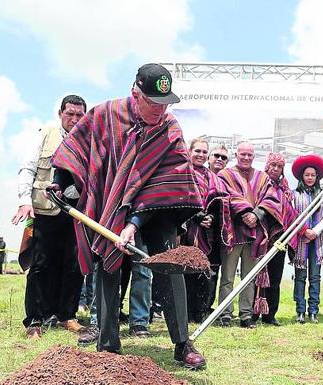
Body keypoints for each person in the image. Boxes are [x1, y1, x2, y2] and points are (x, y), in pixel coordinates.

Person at [50, 63, 207, 369]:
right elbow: (75, 148)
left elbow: (172, 178)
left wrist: (134, 223)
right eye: (153, 103)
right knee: (108, 259)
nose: (160, 111)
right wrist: (60, 181)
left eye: (166, 104)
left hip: (155, 208)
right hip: (110, 200)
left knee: (167, 261)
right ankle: (107, 342)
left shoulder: (170, 128)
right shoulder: (104, 114)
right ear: (136, 93)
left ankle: (182, 343)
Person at [12, 95, 87, 339]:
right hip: (45, 209)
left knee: (74, 264)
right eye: (70, 114)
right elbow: (28, 168)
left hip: (77, 212)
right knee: (42, 263)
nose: (74, 119)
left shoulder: (90, 140)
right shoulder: (45, 134)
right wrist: (25, 200)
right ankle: (35, 319)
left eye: (79, 115)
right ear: (60, 113)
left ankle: (67, 316)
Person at [216, 142, 283, 328]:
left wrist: (257, 214)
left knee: (249, 277)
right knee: (228, 277)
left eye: (250, 155)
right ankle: (225, 314)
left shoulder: (262, 177)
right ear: (236, 154)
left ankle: (246, 315)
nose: (246, 158)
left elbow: (271, 198)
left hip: (256, 235)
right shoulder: (224, 175)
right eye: (243, 154)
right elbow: (225, 194)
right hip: (232, 233)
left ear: (254, 157)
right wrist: (245, 212)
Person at [184, 138, 233, 323]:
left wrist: (210, 217)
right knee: (186, 271)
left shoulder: (212, 177)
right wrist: (196, 217)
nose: (201, 155)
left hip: (207, 233)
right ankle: (185, 313)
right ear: (189, 151)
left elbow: (219, 202)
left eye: (204, 152)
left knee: (205, 273)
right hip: (185, 230)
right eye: (197, 151)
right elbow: (178, 198)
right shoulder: (182, 172)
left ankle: (200, 312)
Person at [255, 153, 296, 326]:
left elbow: (289, 213)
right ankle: (253, 313)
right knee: (257, 277)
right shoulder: (260, 184)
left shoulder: (285, 190)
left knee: (275, 278)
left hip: (279, 239)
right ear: (267, 166)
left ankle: (270, 314)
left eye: (279, 167)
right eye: (273, 165)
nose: (275, 169)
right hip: (260, 236)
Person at [291, 154, 323, 324]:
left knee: (315, 277)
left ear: (317, 177)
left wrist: (315, 231)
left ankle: (313, 311)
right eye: (307, 175)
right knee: (300, 276)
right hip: (301, 240)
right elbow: (292, 216)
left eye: (313, 175)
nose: (310, 178)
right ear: (302, 176)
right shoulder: (294, 195)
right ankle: (300, 310)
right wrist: (304, 231)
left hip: (317, 240)